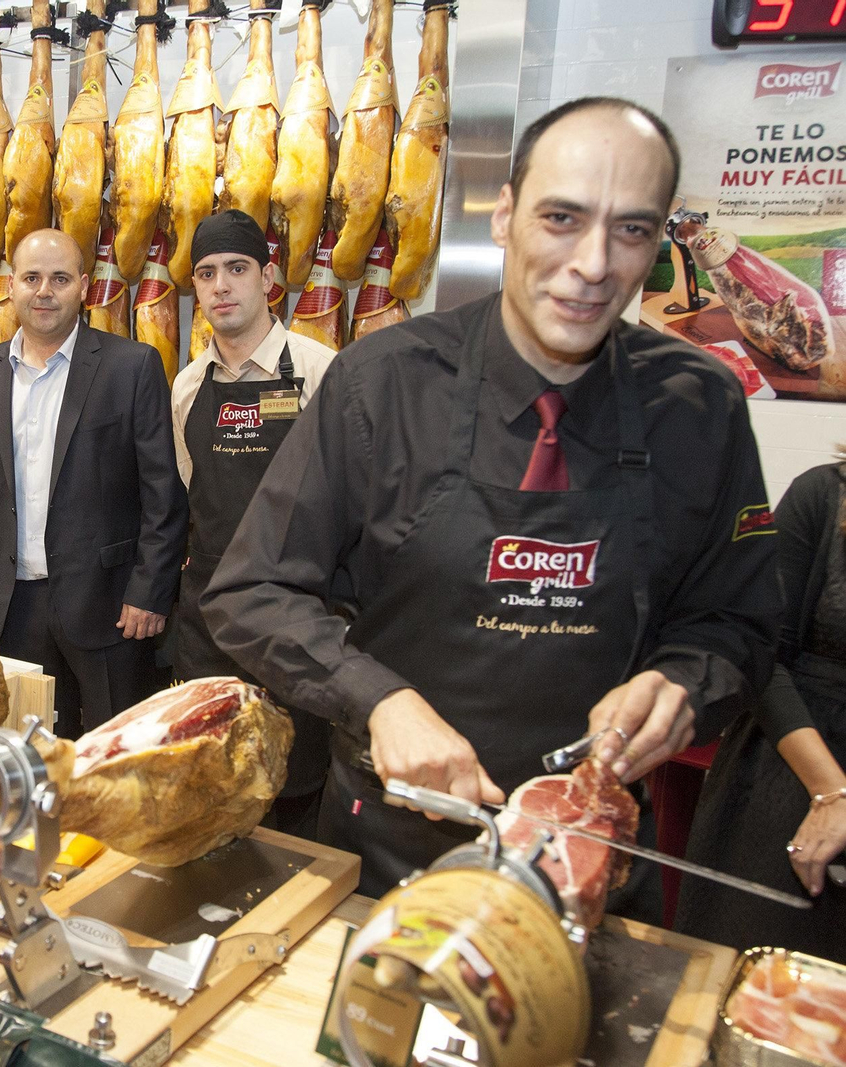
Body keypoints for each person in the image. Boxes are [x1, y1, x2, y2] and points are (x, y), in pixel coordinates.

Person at [201, 96, 781, 896]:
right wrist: (379, 699)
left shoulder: (700, 408)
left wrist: (687, 681)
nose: (593, 263)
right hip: (386, 855)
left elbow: (740, 621)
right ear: (505, 216)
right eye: (562, 218)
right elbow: (251, 588)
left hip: (584, 862)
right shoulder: (385, 382)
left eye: (633, 230)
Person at [0, 229, 187, 737]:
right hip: (11, 610)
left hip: (111, 608)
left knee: (114, 758)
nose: (44, 291)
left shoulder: (132, 366)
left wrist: (149, 590)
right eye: (31, 278)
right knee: (22, 753)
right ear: (11, 286)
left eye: (59, 278)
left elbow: (162, 494)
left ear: (84, 285)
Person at [171, 210, 337, 834]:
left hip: (300, 616)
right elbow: (192, 493)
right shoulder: (188, 386)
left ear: (268, 278)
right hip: (212, 615)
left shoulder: (321, 371)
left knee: (294, 786)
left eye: (237, 270)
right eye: (207, 273)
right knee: (216, 783)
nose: (221, 287)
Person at [678, 458, 846, 961]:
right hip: (794, 769)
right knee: (745, 986)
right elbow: (761, 653)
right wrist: (832, 793)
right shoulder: (823, 494)